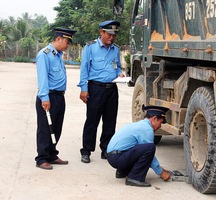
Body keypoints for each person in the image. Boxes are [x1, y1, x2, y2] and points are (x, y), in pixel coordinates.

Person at [77, 20, 125, 163]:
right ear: (101, 32)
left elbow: (117, 67)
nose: (111, 38)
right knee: (92, 120)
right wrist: (83, 89)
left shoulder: (115, 49)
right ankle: (86, 150)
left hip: (112, 89)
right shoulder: (90, 47)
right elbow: (84, 69)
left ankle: (106, 149)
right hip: (95, 88)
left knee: (110, 121)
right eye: (109, 34)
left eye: (114, 35)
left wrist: (120, 73)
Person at [35, 28, 76, 170]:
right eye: (67, 42)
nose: (68, 45)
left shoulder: (58, 55)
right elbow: (43, 78)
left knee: (56, 127)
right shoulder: (44, 54)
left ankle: (52, 155)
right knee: (45, 128)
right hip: (49, 96)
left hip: (59, 96)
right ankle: (41, 158)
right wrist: (44, 98)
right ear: (58, 39)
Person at [106, 105, 171, 187]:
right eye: (160, 122)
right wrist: (161, 172)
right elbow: (149, 155)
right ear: (154, 119)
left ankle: (122, 172)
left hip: (113, 156)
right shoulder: (147, 129)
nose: (160, 126)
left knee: (139, 147)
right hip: (117, 158)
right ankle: (135, 178)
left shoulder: (139, 125)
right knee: (150, 148)